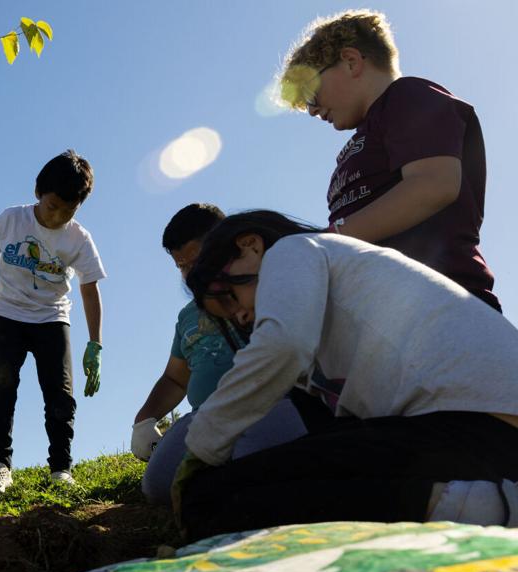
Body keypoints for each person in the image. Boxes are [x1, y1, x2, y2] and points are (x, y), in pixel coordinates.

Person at [174, 211, 518, 542]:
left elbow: (282, 345)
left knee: (212, 496)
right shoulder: (321, 338)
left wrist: (200, 447)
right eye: (231, 316)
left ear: (250, 245)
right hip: (462, 437)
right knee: (235, 491)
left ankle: (487, 507)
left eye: (231, 297)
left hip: (488, 429)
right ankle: (464, 502)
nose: (242, 315)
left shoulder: (293, 251)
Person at [278, 9, 499, 311]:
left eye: (310, 93)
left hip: (445, 304)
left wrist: (328, 241)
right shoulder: (362, 140)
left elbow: (435, 184)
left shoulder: (407, 95)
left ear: (351, 61)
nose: (313, 110)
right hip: (392, 314)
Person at [133, 203, 305, 505]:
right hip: (207, 414)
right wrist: (144, 419)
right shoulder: (187, 318)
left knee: (249, 461)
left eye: (196, 260)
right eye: (181, 267)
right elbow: (175, 378)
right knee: (159, 482)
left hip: (273, 401)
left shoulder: (258, 287)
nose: (190, 275)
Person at [0, 150, 105, 492]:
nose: (57, 218)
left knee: (60, 393)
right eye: (53, 207)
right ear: (39, 192)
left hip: (53, 317)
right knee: (2, 384)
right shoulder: (12, 219)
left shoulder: (79, 238)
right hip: (8, 312)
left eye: (68, 212)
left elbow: (89, 288)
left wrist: (95, 343)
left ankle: (61, 469)